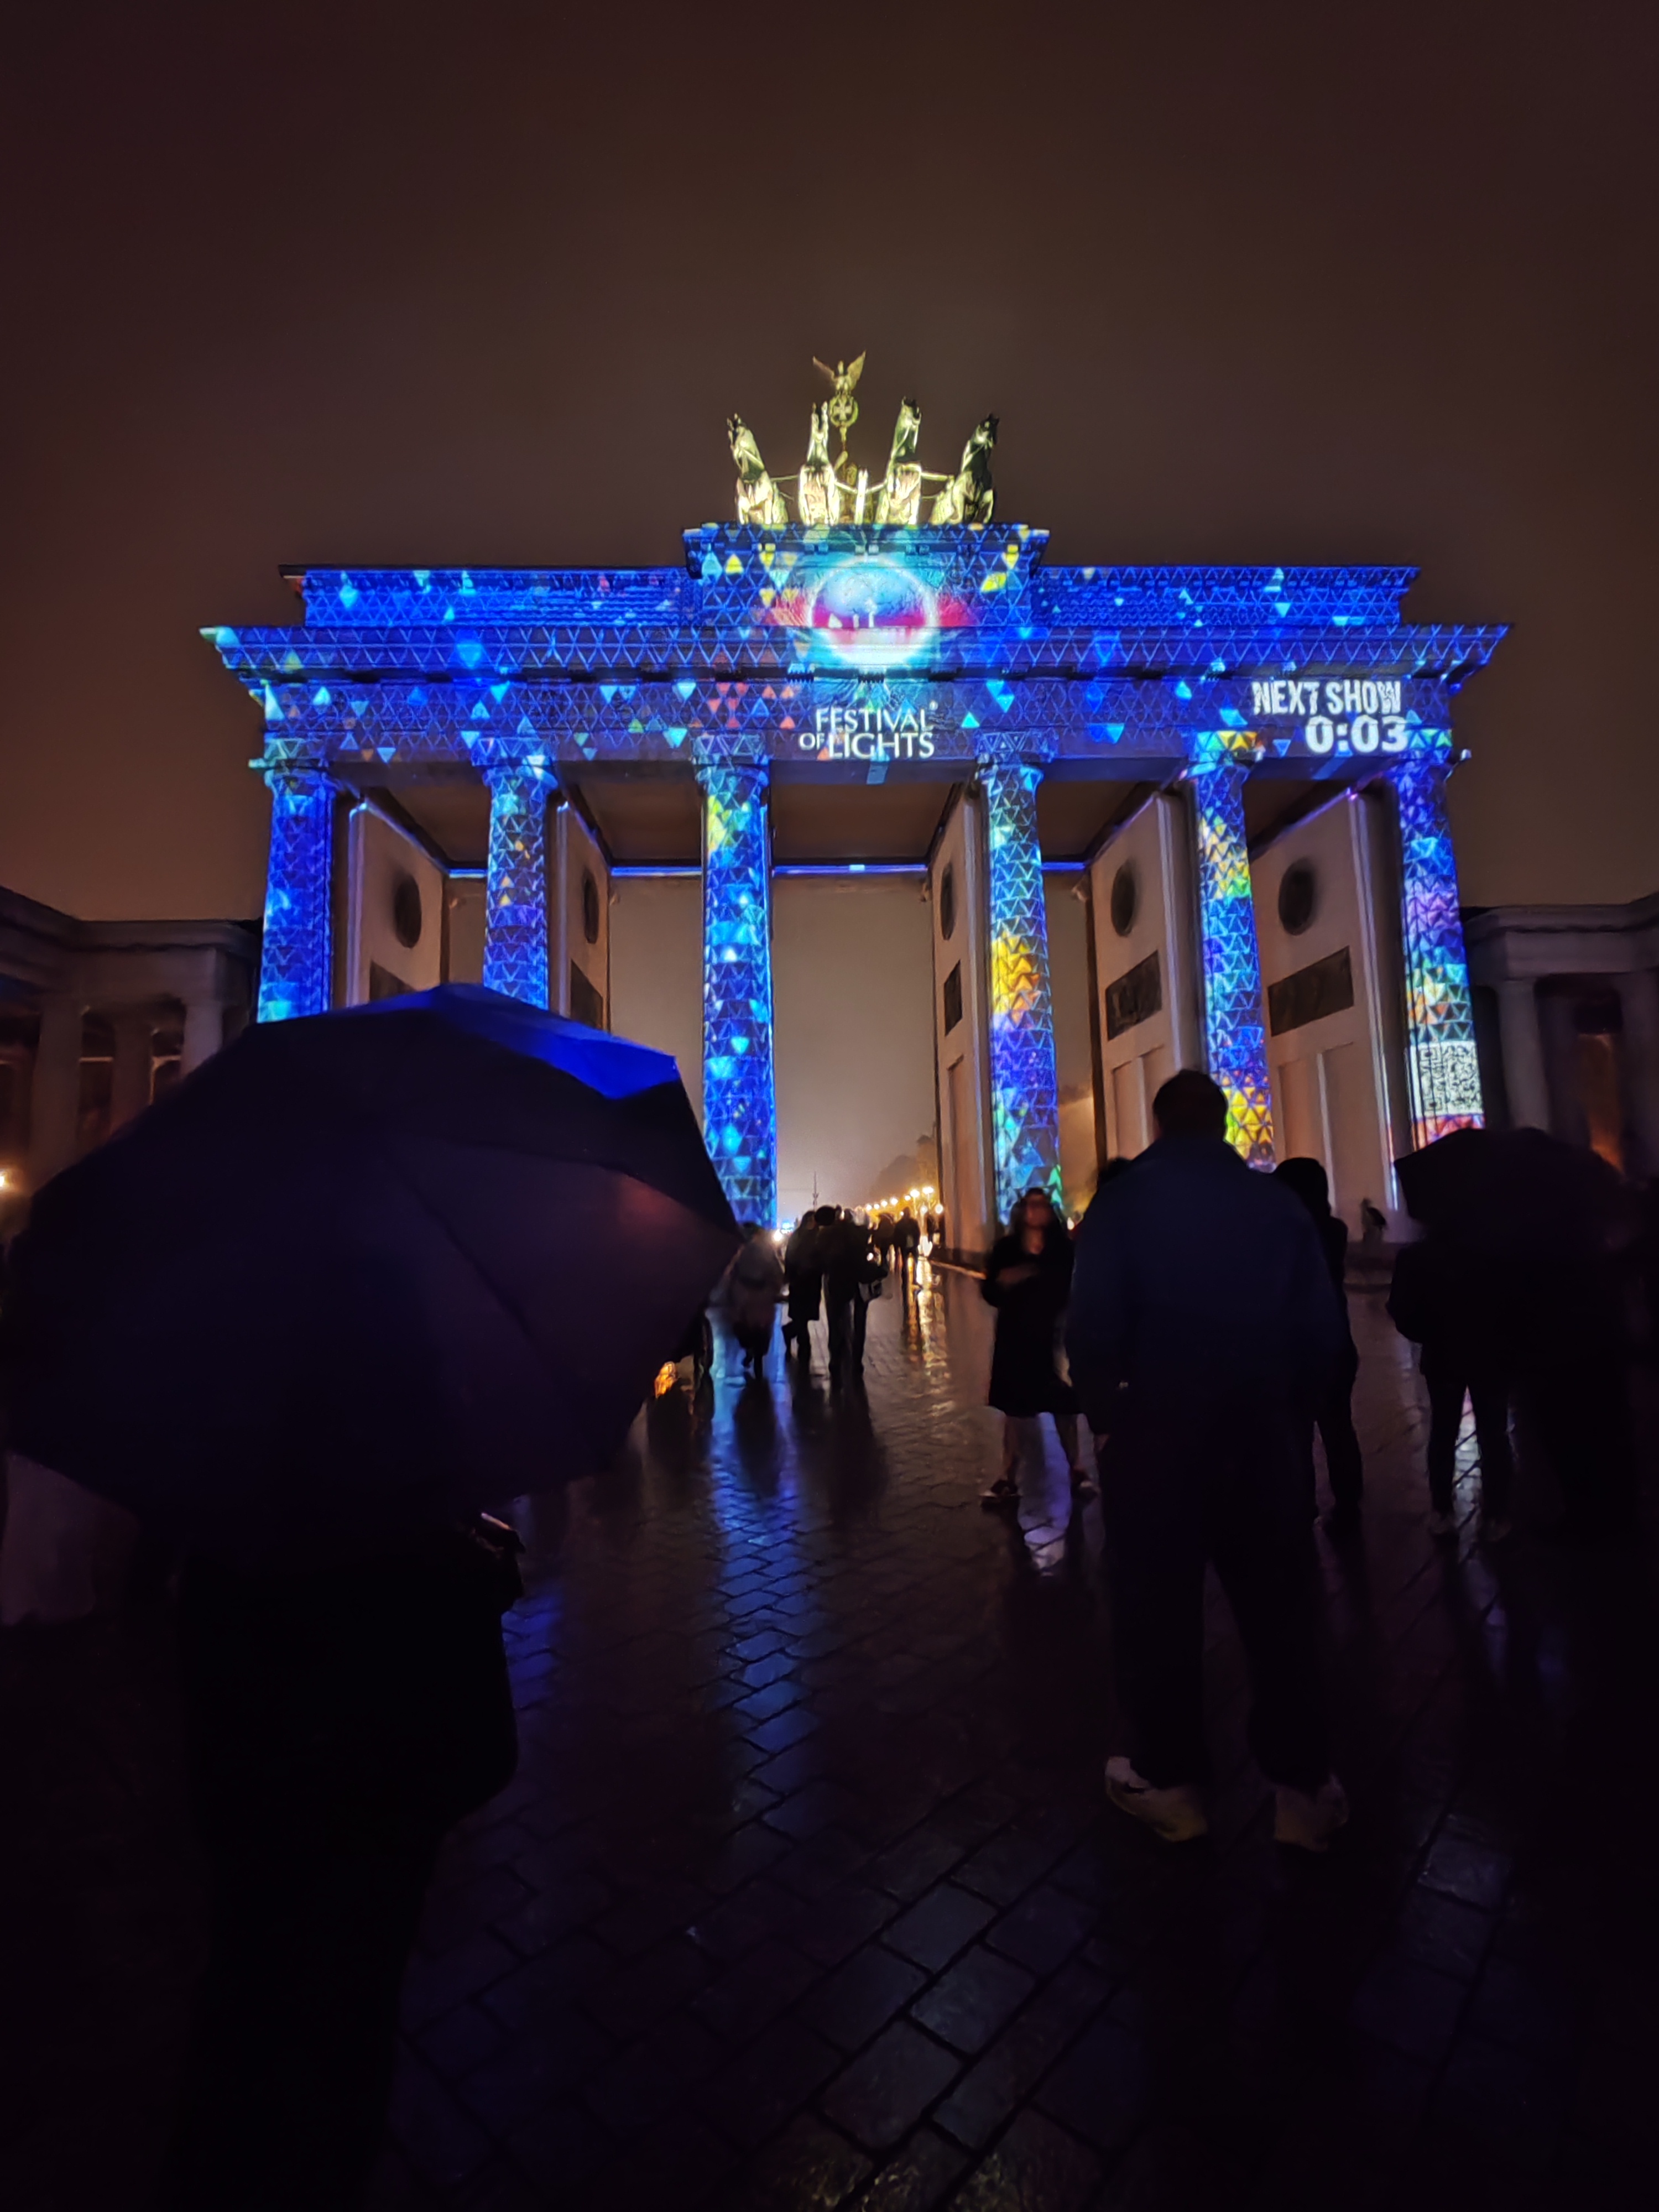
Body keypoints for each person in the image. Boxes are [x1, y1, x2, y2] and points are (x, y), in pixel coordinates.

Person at [156, 1517, 523, 2211]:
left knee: (250, 1999)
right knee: (347, 2011)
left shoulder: (228, 1538)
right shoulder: (404, 1516)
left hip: (262, 1824)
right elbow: (473, 1746)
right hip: (368, 1818)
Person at [1067, 1069, 1349, 1852]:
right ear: (1224, 1123)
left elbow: (1090, 1329)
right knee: (1280, 1613)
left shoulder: (1122, 1205)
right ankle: (1301, 1791)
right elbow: (1324, 1339)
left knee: (1156, 1613)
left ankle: (1174, 1784)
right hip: (1262, 1437)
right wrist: (1288, 1417)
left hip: (1158, 1436)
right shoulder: (1278, 1206)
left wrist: (1110, 1420)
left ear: (1157, 1124)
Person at [1387, 1230, 1513, 1542]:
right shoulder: (1495, 1252)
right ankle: (1497, 1513)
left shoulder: (1419, 1255)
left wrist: (1429, 1333)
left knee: (1443, 1432)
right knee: (1494, 1434)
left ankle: (1442, 1510)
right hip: (1490, 1354)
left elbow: (1402, 1310)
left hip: (1443, 1353)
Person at [979, 1187, 1093, 1509]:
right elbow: (989, 1291)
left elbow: (1072, 1288)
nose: (1036, 1211)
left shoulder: (1062, 1249)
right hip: (1016, 1339)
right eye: (1031, 1205)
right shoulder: (1005, 1250)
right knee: (1015, 1412)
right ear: (1022, 1211)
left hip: (1053, 1340)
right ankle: (1008, 1476)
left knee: (1065, 1409)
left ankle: (1077, 1469)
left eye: (1042, 1205)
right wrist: (1006, 1281)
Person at [1274, 1156, 1364, 1525]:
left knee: (1296, 1430)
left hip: (1296, 1342)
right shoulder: (1335, 1230)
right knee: (1339, 1425)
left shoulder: (1287, 1235)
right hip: (1335, 1338)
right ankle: (1348, 1502)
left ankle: (1302, 1502)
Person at [724, 1222, 785, 1375]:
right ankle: (757, 1355)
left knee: (745, 1326)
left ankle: (751, 1351)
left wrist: (731, 1292)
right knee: (762, 1328)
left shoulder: (740, 1251)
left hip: (745, 1295)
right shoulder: (766, 1251)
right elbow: (777, 1272)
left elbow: (732, 1274)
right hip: (762, 1296)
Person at [823, 1208, 875, 1383]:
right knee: (860, 1323)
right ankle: (857, 1361)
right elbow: (869, 1252)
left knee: (836, 1321)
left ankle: (835, 1361)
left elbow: (822, 1257)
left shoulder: (829, 1234)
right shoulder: (860, 1233)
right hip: (859, 1282)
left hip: (837, 1282)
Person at [782, 1209, 826, 1366]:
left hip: (812, 1284)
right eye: (809, 1221)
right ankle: (804, 1347)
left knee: (805, 1317)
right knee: (801, 1317)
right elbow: (790, 1258)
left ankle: (789, 1333)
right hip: (799, 1283)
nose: (811, 1224)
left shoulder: (818, 1238)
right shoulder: (798, 1237)